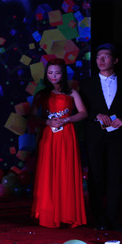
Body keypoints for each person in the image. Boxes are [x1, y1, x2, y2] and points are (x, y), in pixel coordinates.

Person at [80, 43, 122, 231]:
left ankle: (113, 217)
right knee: (96, 177)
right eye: (98, 57)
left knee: (116, 177)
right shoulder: (86, 84)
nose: (101, 60)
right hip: (94, 137)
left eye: (105, 56)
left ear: (115, 60)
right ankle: (98, 219)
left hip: (119, 137)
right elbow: (81, 110)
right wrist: (95, 115)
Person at [30, 58, 87, 228]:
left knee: (66, 172)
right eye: (50, 72)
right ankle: (47, 212)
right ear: (46, 74)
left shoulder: (72, 93)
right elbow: (32, 117)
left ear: (63, 74)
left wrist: (67, 119)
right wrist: (47, 122)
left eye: (57, 72)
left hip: (67, 135)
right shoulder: (42, 94)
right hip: (49, 135)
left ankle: (67, 214)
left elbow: (83, 113)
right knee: (48, 173)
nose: (53, 76)